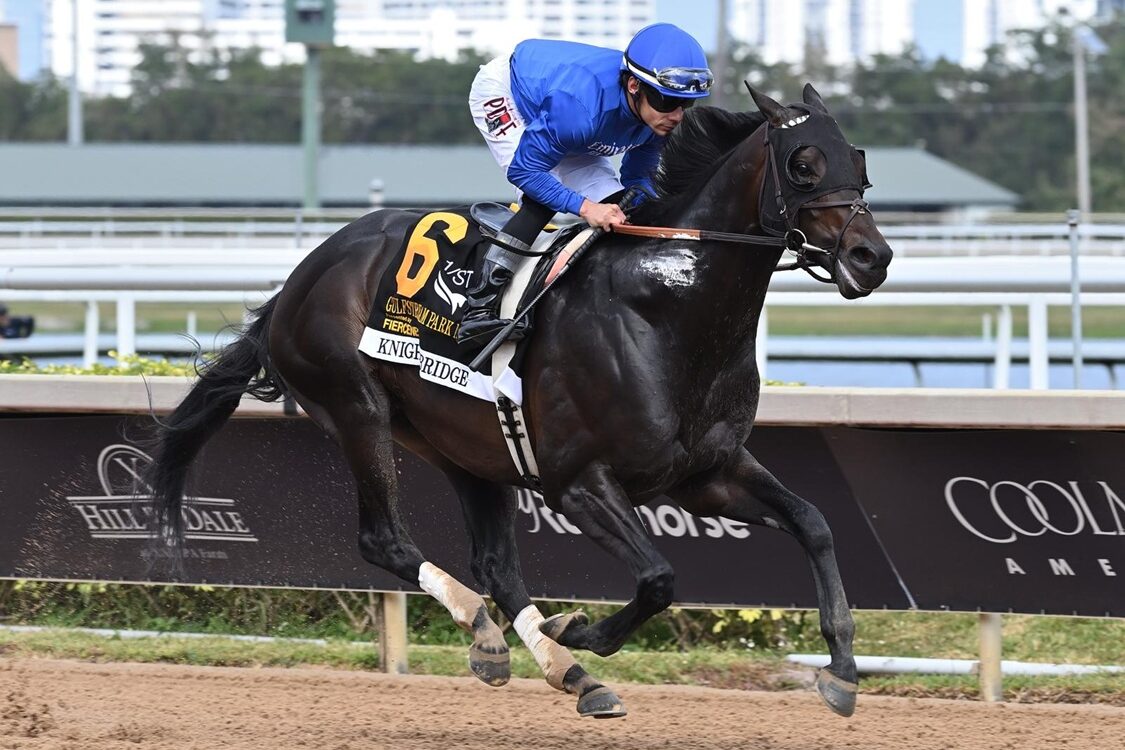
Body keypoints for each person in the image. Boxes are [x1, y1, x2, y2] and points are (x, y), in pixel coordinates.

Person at [459, 23, 713, 342]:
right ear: (634, 85)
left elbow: (637, 179)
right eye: (666, 102)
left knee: (629, 207)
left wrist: (656, 211)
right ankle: (479, 309)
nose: (676, 115)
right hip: (510, 94)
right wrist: (585, 207)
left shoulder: (659, 118)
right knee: (542, 200)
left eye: (685, 104)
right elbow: (525, 172)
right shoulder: (579, 111)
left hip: (571, 124)